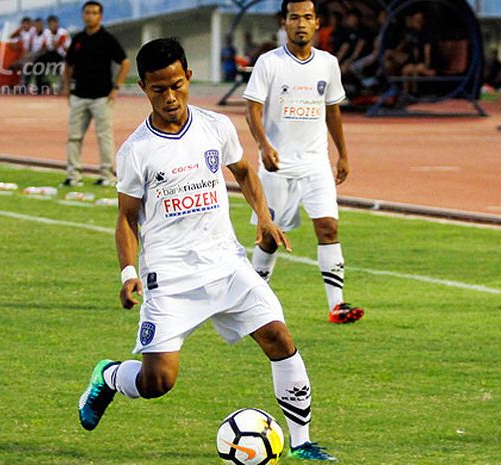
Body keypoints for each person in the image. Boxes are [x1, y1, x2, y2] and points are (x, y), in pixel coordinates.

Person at [77, 37, 338, 462]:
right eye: (158, 89)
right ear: (143, 87)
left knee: (279, 338)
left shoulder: (215, 126)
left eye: (177, 85)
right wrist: (128, 274)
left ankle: (303, 443)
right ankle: (108, 377)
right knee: (158, 381)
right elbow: (126, 219)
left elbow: (245, 173)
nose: (170, 97)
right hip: (171, 277)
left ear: (189, 78)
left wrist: (265, 218)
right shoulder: (136, 151)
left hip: (226, 263)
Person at [243, 0, 364, 324]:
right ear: (284, 22)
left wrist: (343, 154)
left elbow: (332, 110)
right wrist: (264, 146)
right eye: (294, 17)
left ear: (316, 23)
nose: (301, 23)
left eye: (307, 18)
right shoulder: (269, 63)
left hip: (316, 164)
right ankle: (253, 300)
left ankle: (337, 306)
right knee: (270, 237)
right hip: (277, 165)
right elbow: (252, 109)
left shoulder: (327, 63)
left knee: (328, 227)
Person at [60, 1, 130, 187]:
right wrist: (67, 88)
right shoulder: (78, 40)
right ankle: (73, 175)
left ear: (100, 16)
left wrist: (116, 88)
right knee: (74, 137)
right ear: (83, 15)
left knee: (104, 137)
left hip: (102, 97)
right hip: (79, 96)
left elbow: (125, 62)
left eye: (94, 13)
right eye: (87, 12)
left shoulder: (107, 39)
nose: (90, 16)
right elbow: (68, 65)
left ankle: (107, 175)